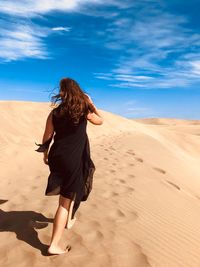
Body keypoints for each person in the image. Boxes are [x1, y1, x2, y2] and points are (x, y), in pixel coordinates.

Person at [35, 77, 103, 255]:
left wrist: (45, 154)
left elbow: (46, 138)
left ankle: (68, 219)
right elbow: (100, 121)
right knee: (65, 201)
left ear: (63, 92)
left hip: (57, 156)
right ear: (77, 91)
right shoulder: (82, 110)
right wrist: (91, 104)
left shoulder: (55, 114)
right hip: (73, 159)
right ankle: (54, 244)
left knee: (70, 189)